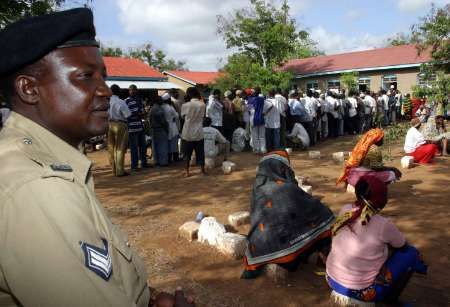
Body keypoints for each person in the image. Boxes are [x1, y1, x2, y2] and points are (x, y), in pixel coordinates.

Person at [0, 8, 194, 306]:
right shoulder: (39, 186)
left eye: (102, 76)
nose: (104, 90)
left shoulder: (45, 161)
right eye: (86, 77)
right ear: (29, 89)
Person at [327, 176, 427, 305]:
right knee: (411, 253)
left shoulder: (346, 209)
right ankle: (391, 299)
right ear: (382, 200)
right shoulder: (383, 225)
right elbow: (402, 246)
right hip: (362, 291)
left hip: (332, 278)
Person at [242, 151, 334, 279]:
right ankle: (321, 264)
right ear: (283, 168)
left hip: (259, 249)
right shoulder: (287, 189)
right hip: (288, 259)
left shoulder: (257, 190)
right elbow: (312, 208)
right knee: (325, 217)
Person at [337, 128, 401, 187]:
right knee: (392, 174)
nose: (383, 140)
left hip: (352, 175)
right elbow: (377, 168)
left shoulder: (361, 146)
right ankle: (373, 191)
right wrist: (392, 169)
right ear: (376, 139)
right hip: (363, 177)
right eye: (382, 138)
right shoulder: (374, 149)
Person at [181, 87, 206, 177]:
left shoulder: (185, 105)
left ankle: (187, 171)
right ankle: (202, 170)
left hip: (187, 132)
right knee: (200, 152)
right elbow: (202, 117)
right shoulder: (203, 104)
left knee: (187, 153)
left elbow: (183, 117)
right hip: (199, 131)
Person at [108, 84, 131, 176]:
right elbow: (128, 115)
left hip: (109, 124)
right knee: (120, 148)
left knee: (111, 147)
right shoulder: (120, 102)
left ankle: (114, 170)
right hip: (120, 124)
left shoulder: (107, 101)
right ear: (118, 92)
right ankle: (120, 171)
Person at [125, 84, 148, 171]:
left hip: (140, 126)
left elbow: (143, 112)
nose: (132, 91)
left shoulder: (139, 100)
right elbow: (127, 114)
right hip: (132, 127)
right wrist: (138, 114)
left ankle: (144, 163)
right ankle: (134, 166)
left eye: (134, 90)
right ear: (129, 91)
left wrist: (142, 113)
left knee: (143, 146)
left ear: (136, 90)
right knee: (134, 148)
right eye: (131, 90)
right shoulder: (126, 101)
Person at [149, 96, 169, 167]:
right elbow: (162, 121)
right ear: (158, 101)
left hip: (154, 129)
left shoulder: (152, 108)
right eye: (161, 100)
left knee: (155, 146)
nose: (162, 101)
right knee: (163, 146)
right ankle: (163, 162)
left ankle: (156, 161)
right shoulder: (158, 109)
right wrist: (166, 128)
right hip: (160, 129)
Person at [161, 92, 180, 163]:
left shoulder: (162, 107)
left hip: (165, 126)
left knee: (167, 143)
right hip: (172, 126)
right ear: (168, 100)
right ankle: (175, 157)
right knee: (174, 143)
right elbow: (177, 116)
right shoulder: (170, 107)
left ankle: (168, 158)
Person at [248, 87, 266, 154]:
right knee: (262, 136)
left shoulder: (250, 100)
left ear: (254, 92)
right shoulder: (262, 99)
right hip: (261, 118)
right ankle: (263, 149)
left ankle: (256, 150)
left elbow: (248, 109)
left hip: (253, 119)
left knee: (255, 136)